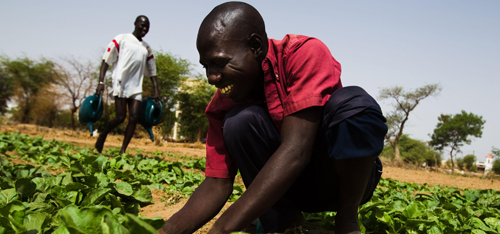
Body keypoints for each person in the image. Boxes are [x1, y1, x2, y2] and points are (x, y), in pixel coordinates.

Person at [160, 2, 387, 234]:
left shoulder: (303, 54)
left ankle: (347, 220)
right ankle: (285, 222)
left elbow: (296, 150)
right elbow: (217, 183)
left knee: (353, 103)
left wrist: (221, 229)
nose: (211, 77)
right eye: (206, 66)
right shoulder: (222, 105)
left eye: (219, 63)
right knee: (239, 121)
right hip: (286, 188)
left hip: (337, 181)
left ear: (255, 46)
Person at [95, 15, 160, 155]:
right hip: (121, 83)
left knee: (134, 117)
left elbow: (152, 71)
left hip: (136, 86)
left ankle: (123, 150)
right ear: (135, 24)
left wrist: (156, 90)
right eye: (142, 25)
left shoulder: (146, 48)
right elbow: (106, 60)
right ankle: (103, 134)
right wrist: (101, 81)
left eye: (147, 27)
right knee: (120, 117)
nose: (144, 28)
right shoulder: (122, 39)